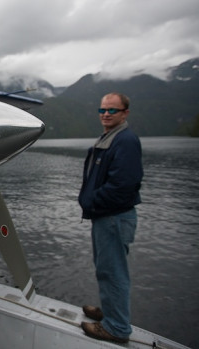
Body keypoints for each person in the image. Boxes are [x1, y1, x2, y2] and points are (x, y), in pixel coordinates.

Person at [78, 92, 143, 343]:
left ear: (124, 113)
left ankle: (116, 328)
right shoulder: (112, 137)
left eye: (112, 110)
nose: (106, 114)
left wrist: (90, 202)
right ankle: (111, 311)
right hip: (107, 217)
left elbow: (123, 185)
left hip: (113, 218)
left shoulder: (125, 140)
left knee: (113, 272)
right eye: (103, 110)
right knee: (106, 269)